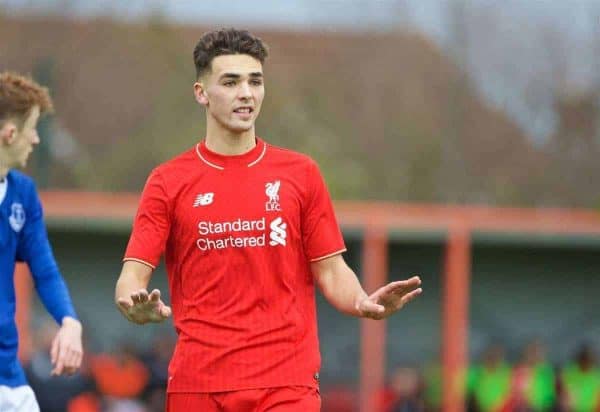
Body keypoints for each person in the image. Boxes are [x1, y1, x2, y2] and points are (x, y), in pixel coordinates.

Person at [114, 28, 422, 412]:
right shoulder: (168, 181)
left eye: (255, 81)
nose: (246, 92)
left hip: (285, 384)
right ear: (201, 93)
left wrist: (361, 300)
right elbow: (131, 277)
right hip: (199, 384)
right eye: (230, 81)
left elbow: (330, 270)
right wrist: (133, 304)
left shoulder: (300, 173)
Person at [0, 72, 83, 411]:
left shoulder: (23, 193)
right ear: (9, 133)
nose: (35, 139)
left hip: (8, 375)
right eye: (32, 127)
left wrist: (69, 321)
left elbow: (44, 270)